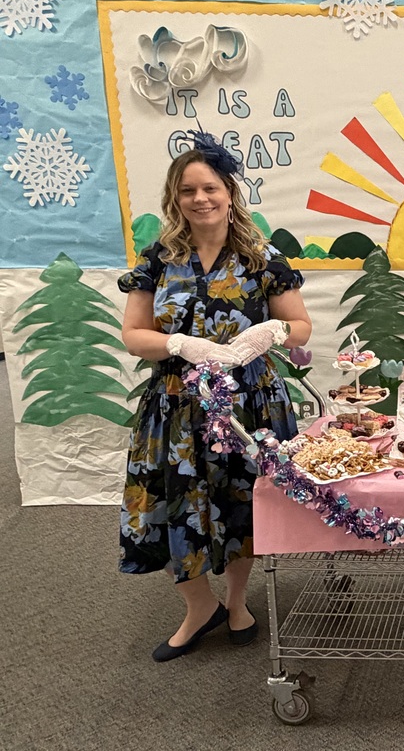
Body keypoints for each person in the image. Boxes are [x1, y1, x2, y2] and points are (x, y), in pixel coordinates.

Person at [118, 133, 312, 662]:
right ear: (174, 199)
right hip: (178, 406)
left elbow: (300, 326)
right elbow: (133, 333)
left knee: (243, 501)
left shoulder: (261, 257)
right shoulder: (157, 260)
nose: (200, 198)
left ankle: (238, 601)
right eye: (187, 190)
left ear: (229, 191)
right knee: (176, 505)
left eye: (210, 187)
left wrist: (267, 335)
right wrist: (178, 343)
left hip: (248, 403)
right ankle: (198, 608)